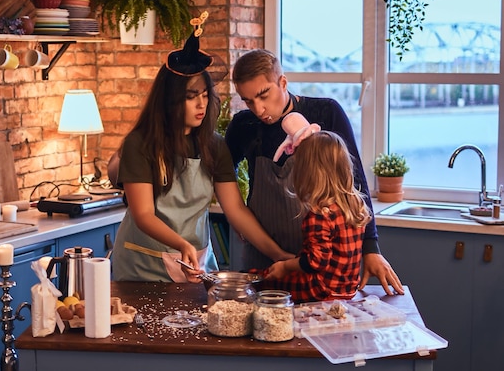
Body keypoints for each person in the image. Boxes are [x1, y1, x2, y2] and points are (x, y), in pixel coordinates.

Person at [111, 16, 293, 283]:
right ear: (170, 100)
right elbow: (143, 215)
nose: (201, 105)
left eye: (205, 95)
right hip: (143, 265)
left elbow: (236, 210)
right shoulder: (140, 144)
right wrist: (181, 244)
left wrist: (279, 255)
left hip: (195, 263)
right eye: (190, 97)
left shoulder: (214, 145)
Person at [226, 48, 404, 295]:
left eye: (263, 95)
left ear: (283, 82)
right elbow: (225, 177)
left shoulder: (326, 113)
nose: (258, 109)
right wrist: (240, 216)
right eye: (247, 100)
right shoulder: (243, 126)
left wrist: (371, 247)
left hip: (318, 261)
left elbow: (355, 180)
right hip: (263, 257)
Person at [257, 129, 371, 302]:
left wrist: (286, 266)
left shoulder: (319, 215)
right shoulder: (355, 205)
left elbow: (315, 262)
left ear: (307, 173)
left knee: (262, 280)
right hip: (346, 290)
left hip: (321, 290)